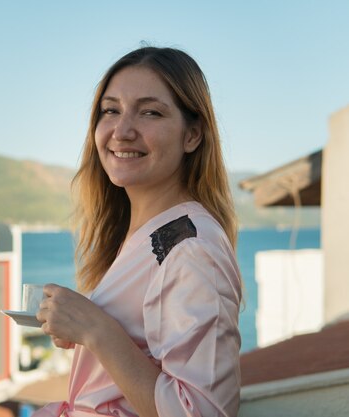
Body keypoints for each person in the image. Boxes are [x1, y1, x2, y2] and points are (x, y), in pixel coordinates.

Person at [34, 46, 242, 417]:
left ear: (192, 135)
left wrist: (97, 330)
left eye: (150, 112)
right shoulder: (150, 235)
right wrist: (85, 332)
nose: (122, 130)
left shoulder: (192, 246)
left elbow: (200, 411)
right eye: (111, 110)